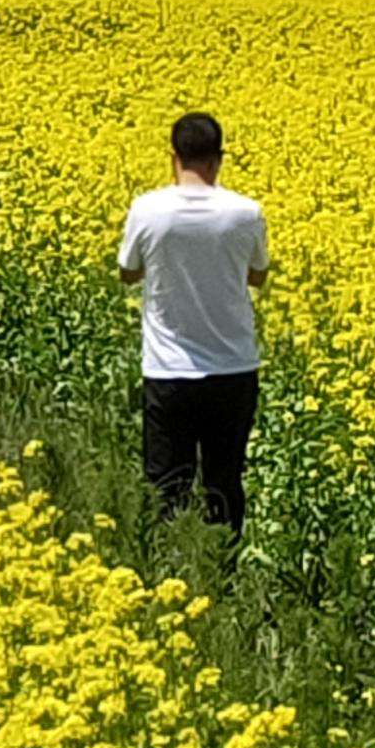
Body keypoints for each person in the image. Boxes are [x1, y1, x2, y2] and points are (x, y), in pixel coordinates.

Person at [117, 112, 268, 545]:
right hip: (233, 369)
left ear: (173, 157)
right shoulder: (246, 213)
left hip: (168, 371)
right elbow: (257, 275)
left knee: (167, 485)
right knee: (224, 484)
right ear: (218, 159)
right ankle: (223, 574)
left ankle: (171, 574)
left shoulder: (147, 210)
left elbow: (128, 273)